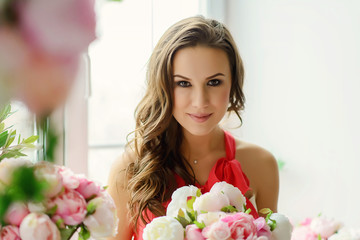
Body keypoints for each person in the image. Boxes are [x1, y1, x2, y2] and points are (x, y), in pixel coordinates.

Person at [107, 15, 279, 240]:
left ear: (233, 82)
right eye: (183, 83)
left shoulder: (260, 164)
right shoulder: (129, 169)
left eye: (214, 82)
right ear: (164, 87)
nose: (200, 101)